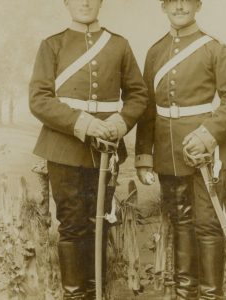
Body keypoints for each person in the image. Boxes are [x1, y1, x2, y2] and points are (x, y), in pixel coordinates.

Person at [29, 0, 148, 299]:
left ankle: (98, 294)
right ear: (66, 3)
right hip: (63, 148)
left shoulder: (119, 45)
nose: (85, 2)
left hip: (105, 149)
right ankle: (74, 296)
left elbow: (138, 95)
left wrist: (120, 123)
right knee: (71, 225)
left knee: (99, 224)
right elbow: (39, 99)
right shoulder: (51, 45)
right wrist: (82, 122)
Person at [135, 0, 226, 299]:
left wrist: (209, 135)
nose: (180, 6)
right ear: (164, 7)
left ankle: (211, 296)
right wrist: (144, 157)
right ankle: (186, 295)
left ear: (198, 6)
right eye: (173, 1)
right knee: (181, 222)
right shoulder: (155, 51)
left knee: (208, 225)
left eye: (187, 1)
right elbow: (147, 109)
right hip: (169, 152)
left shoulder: (213, 48)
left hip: (205, 153)